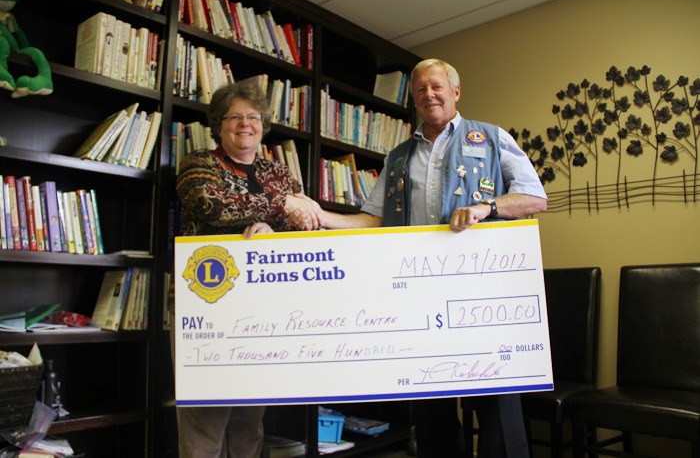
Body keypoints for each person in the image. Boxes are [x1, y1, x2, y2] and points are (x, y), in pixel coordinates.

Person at [290, 58, 547, 457]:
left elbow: (535, 198)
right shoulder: (397, 158)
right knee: (433, 418)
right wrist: (322, 215)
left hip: (484, 301)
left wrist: (487, 208)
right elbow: (372, 220)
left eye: (437, 86)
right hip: (420, 307)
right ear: (414, 99)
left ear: (455, 92)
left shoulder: (493, 139)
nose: (429, 94)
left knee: (498, 412)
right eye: (421, 89)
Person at [173, 81, 317, 458]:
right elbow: (210, 204)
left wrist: (272, 227)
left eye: (253, 117)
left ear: (264, 125)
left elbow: (304, 224)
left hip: (262, 309)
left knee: (250, 419)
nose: (244, 124)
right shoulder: (198, 163)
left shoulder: (280, 174)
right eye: (234, 117)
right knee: (206, 417)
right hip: (207, 304)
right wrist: (276, 210)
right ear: (218, 125)